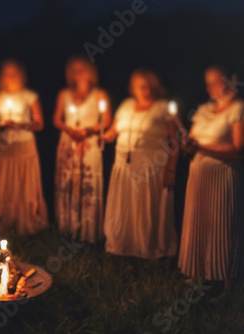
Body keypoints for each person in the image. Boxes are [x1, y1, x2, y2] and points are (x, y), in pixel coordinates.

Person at [178, 65, 244, 299]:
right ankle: (200, 273)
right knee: (200, 222)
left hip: (223, 176)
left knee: (223, 225)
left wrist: (202, 147)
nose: (213, 87)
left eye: (218, 81)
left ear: (232, 80)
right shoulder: (205, 110)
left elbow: (238, 149)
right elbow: (193, 139)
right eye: (209, 83)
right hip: (199, 176)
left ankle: (227, 284)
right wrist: (187, 146)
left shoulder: (238, 110)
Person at [102, 69, 179, 259]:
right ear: (132, 89)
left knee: (146, 210)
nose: (146, 90)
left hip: (150, 169)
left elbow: (175, 141)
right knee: (125, 207)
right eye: (141, 86)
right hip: (123, 166)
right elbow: (112, 131)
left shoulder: (162, 108)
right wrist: (104, 136)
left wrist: (171, 168)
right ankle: (122, 246)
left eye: (149, 86)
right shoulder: (127, 105)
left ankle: (148, 248)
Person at [0, 60, 48, 236]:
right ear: (0, 77)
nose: (10, 77)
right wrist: (1, 125)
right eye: (6, 73)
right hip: (1, 147)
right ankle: (2, 221)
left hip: (24, 146)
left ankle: (25, 221)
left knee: (22, 182)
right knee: (3, 183)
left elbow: (39, 123)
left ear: (21, 76)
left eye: (14, 73)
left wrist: (21, 125)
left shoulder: (29, 96)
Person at [53, 56, 111, 243]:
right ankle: (67, 229)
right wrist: (69, 129)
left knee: (86, 184)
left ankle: (87, 232)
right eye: (74, 70)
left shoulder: (99, 95)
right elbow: (57, 119)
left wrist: (88, 130)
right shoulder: (64, 94)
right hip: (68, 143)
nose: (78, 73)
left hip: (89, 144)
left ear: (90, 72)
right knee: (68, 183)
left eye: (82, 69)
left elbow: (106, 121)